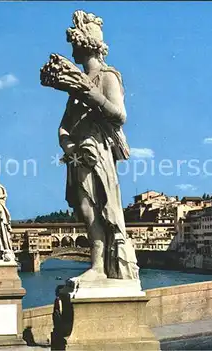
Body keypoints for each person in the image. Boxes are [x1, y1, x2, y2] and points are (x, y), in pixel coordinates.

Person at [55, 10, 139, 281]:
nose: (72, 51)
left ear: (84, 44)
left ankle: (100, 267)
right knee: (85, 209)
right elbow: (63, 127)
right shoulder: (74, 88)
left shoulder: (108, 77)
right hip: (78, 156)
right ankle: (97, 266)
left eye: (74, 45)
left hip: (99, 152)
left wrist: (90, 95)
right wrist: (69, 146)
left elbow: (120, 115)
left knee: (100, 206)